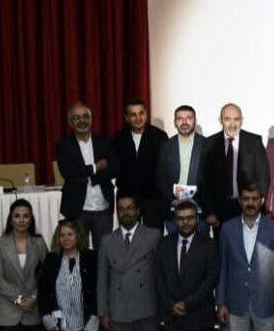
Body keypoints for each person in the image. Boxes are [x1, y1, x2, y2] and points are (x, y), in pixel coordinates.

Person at [217, 183, 274, 331]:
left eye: (254, 199)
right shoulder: (227, 228)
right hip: (235, 303)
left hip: (266, 302)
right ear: (240, 201)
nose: (250, 203)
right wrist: (221, 302)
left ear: (262, 201)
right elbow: (223, 267)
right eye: (246, 199)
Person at [97, 193, 161, 331]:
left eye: (130, 208)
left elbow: (161, 274)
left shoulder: (153, 235)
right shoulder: (107, 240)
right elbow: (102, 278)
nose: (125, 212)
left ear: (137, 211)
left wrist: (162, 307)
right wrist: (103, 311)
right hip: (119, 309)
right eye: (121, 209)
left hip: (147, 307)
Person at [156, 200, 220, 331]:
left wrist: (187, 304)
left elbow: (211, 280)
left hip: (200, 318)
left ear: (197, 219)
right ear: (174, 220)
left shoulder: (209, 245)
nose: (185, 222)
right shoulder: (164, 244)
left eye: (190, 218)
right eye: (181, 218)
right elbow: (159, 279)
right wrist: (171, 305)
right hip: (173, 320)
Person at [0, 199, 48, 331]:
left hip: (32, 311)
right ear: (11, 219)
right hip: (8, 312)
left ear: (31, 219)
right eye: (17, 216)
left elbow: (47, 275)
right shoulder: (0, 243)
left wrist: (35, 298)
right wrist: (18, 299)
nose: (21, 220)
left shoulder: (39, 242)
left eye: (25, 216)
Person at [57, 101, 119, 246]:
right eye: (76, 118)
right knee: (79, 250)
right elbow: (68, 173)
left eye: (85, 117)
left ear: (91, 120)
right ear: (70, 122)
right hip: (78, 209)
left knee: (103, 252)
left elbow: (115, 168)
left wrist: (89, 177)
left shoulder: (104, 142)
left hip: (103, 208)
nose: (82, 121)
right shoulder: (64, 145)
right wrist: (95, 167)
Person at [38, 220, 99, 331]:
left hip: (87, 325)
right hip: (60, 327)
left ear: (78, 236)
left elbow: (99, 289)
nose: (66, 238)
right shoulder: (52, 259)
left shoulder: (91, 258)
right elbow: (43, 290)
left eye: (70, 234)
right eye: (62, 235)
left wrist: (95, 316)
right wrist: (46, 315)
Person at [201, 103, 270, 229]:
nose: (232, 124)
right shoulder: (209, 143)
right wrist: (209, 211)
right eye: (227, 119)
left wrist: (258, 205)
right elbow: (204, 180)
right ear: (220, 120)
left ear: (242, 120)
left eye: (236, 119)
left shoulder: (254, 141)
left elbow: (263, 177)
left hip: (249, 206)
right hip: (219, 211)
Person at [113, 96, 168, 230]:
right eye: (133, 115)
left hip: (153, 198)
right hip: (127, 197)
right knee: (128, 236)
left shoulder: (159, 137)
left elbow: (165, 168)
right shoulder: (119, 138)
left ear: (146, 114)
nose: (138, 118)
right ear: (127, 118)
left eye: (141, 113)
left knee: (154, 236)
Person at [157, 105, 207, 232]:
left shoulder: (207, 145)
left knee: (200, 243)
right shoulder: (166, 146)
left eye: (188, 118)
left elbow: (212, 179)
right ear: (175, 122)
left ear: (195, 121)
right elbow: (160, 178)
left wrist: (198, 200)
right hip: (173, 208)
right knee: (174, 243)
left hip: (199, 209)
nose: (184, 122)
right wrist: (173, 200)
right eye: (180, 118)